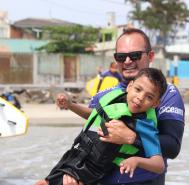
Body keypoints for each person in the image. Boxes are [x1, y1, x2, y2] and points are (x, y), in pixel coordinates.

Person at [55, 28, 185, 185]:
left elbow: (172, 148)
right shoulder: (102, 96)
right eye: (121, 57)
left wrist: (133, 138)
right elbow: (90, 144)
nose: (128, 61)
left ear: (150, 56)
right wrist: (71, 173)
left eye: (135, 55)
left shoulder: (166, 94)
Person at [35, 68, 167, 185]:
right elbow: (94, 115)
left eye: (149, 97)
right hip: (74, 155)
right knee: (42, 183)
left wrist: (137, 161)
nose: (140, 97)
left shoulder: (145, 124)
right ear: (129, 86)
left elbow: (159, 164)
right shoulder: (116, 98)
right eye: (138, 90)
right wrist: (70, 105)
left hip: (91, 170)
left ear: (155, 103)